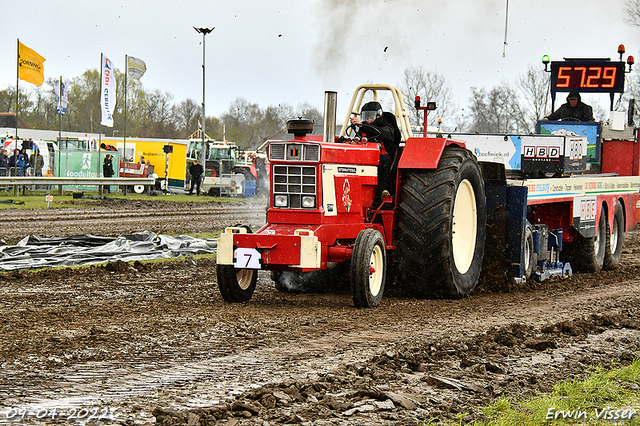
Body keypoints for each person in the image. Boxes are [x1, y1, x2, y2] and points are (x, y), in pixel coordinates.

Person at [350, 101, 401, 198]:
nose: (368, 121)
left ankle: (384, 190)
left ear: (378, 116)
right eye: (366, 118)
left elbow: (381, 132)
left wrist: (363, 126)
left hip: (384, 160)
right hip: (366, 157)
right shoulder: (363, 129)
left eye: (371, 118)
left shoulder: (388, 127)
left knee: (383, 159)